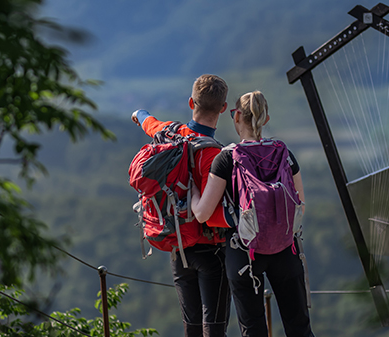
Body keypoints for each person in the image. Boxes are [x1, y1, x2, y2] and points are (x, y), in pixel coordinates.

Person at [190, 91, 314, 337]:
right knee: (299, 328)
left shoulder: (227, 158)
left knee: (253, 329)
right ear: (266, 119)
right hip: (286, 250)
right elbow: (299, 202)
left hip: (244, 252)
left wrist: (192, 194)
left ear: (236, 118)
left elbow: (203, 214)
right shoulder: (284, 154)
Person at [130, 74, 231, 337]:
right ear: (222, 108)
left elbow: (148, 123)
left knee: (192, 327)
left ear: (190, 102)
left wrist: (139, 114)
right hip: (210, 252)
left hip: (177, 246)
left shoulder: (169, 132)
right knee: (215, 328)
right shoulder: (214, 155)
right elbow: (213, 211)